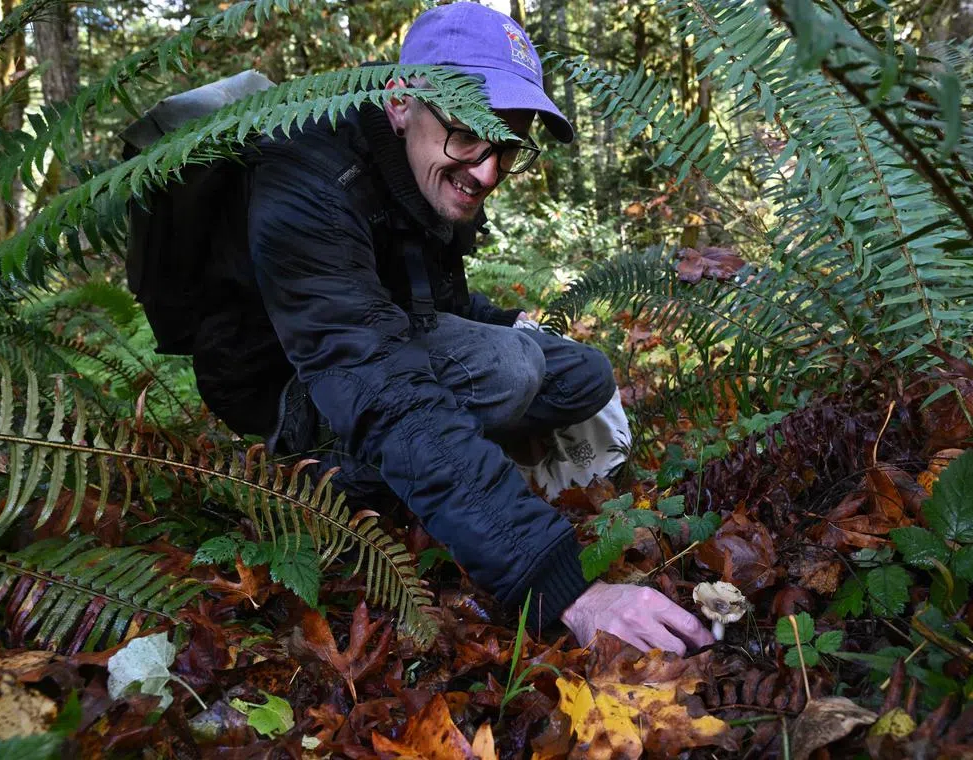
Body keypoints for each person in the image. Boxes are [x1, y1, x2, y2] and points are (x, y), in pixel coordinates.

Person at [195, 1, 713, 655]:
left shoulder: (431, 173)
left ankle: (457, 479)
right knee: (511, 369)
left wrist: (520, 325)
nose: (487, 170)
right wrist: (565, 587)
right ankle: (321, 486)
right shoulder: (308, 175)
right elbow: (374, 374)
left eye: (504, 146)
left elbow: (438, 306)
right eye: (468, 131)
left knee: (577, 367)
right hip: (285, 385)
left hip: (372, 349)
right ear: (401, 100)